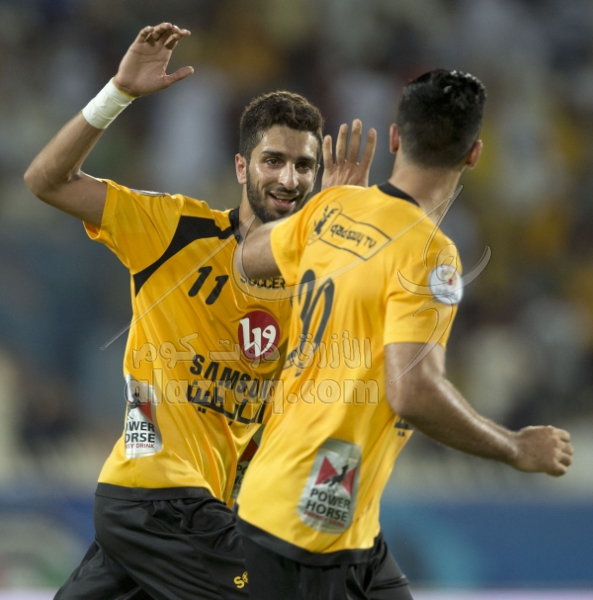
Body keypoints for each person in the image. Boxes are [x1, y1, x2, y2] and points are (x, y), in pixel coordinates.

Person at [24, 21, 409, 600]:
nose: (288, 179)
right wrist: (118, 94)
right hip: (158, 494)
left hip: (194, 516)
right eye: (273, 160)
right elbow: (46, 180)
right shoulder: (173, 230)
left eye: (304, 167)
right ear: (241, 167)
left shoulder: (316, 289)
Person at [234, 69, 575, 600]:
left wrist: (319, 215)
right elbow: (412, 391)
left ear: (395, 137)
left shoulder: (333, 207)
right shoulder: (431, 254)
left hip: (325, 516)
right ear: (474, 155)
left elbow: (247, 260)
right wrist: (514, 447)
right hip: (306, 530)